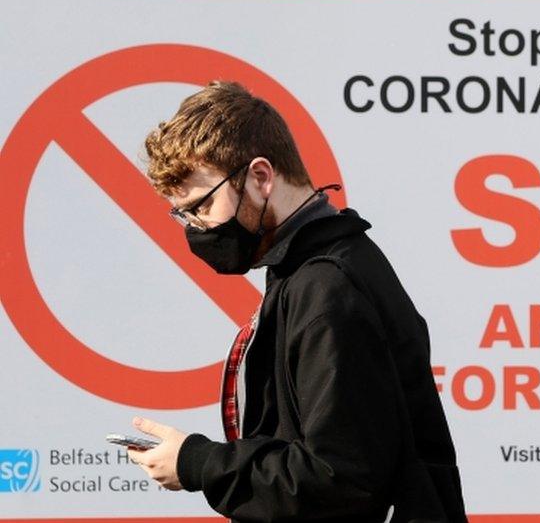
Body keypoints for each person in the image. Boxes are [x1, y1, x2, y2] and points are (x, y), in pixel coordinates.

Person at [126, 80, 467, 522]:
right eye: (183, 215)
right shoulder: (314, 270)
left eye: (201, 206)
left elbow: (339, 480)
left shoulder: (328, 288)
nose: (196, 229)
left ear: (261, 177)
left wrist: (198, 463)